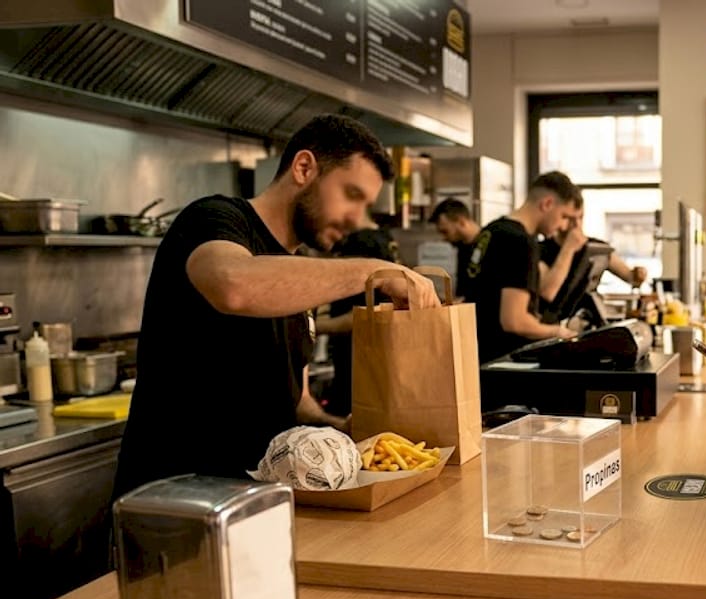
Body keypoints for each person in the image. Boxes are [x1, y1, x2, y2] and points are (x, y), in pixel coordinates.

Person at [115, 114, 439, 498]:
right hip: (178, 504)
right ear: (304, 168)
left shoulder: (298, 277)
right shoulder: (214, 218)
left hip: (256, 501)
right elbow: (233, 285)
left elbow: (296, 401)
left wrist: (340, 429)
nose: (357, 220)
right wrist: (375, 271)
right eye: (351, 195)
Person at [470, 171, 581, 362]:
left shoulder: (491, 230)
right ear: (547, 204)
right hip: (500, 362)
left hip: (475, 354)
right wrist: (558, 332)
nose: (564, 227)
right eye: (564, 216)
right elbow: (515, 321)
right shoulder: (520, 242)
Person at [315, 220, 401, 417]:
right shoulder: (383, 236)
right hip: (377, 363)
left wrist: (313, 326)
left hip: (359, 362)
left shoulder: (362, 242)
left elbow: (368, 314)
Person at [538, 201, 648, 324]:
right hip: (553, 321)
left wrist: (638, 274)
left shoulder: (596, 248)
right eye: (569, 219)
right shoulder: (542, 250)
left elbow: (630, 277)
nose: (576, 225)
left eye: (580, 218)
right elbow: (547, 292)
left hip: (588, 317)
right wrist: (569, 248)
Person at [428, 198, 481, 301]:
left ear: (461, 222)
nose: (444, 238)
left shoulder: (489, 246)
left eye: (445, 231)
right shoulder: (461, 247)